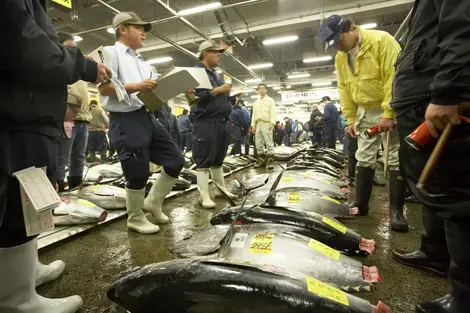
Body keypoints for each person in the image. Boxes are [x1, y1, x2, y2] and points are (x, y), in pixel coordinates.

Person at [0, 0, 111, 311]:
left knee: (28, 205)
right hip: (15, 114)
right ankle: (15, 299)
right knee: (17, 205)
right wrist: (85, 66)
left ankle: (24, 273)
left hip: (28, 113)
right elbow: (25, 44)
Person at [390, 1, 470, 311]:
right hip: (423, 94)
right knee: (437, 188)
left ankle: (464, 299)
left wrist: (449, 90)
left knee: (457, 196)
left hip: (437, 96)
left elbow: (462, 22)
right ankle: (436, 255)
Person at [317, 15, 408, 232]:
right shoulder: (341, 57)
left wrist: (389, 111)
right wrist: (350, 118)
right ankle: (361, 203)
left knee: (394, 157)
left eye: (339, 40)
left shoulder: (381, 41)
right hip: (364, 111)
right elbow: (344, 89)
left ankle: (396, 211)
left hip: (389, 107)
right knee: (363, 156)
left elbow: (394, 78)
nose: (337, 47)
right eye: (333, 45)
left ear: (350, 28)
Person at [99, 12, 184, 234]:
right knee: (137, 172)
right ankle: (135, 217)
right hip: (125, 119)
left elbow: (149, 91)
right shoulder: (111, 53)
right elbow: (105, 88)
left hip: (147, 116)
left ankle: (153, 201)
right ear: (122, 29)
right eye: (138, 28)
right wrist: (138, 86)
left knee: (175, 160)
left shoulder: (141, 61)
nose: (143, 32)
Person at [192, 40, 237, 209]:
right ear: (205, 53)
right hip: (206, 122)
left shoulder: (215, 74)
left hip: (221, 121)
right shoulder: (198, 72)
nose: (219, 55)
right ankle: (204, 195)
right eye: (215, 52)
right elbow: (198, 96)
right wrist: (220, 90)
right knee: (204, 158)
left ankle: (220, 189)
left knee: (218, 158)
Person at [54, 32, 93, 190]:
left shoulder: (79, 70)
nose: (74, 53)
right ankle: (59, 187)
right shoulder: (59, 66)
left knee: (79, 157)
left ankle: (75, 185)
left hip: (83, 119)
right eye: (70, 48)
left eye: (76, 49)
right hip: (68, 118)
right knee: (62, 157)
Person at [251, 83, 277, 169]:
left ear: (266, 90)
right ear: (258, 91)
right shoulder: (256, 102)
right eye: (260, 89)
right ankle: (261, 161)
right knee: (258, 143)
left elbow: (273, 112)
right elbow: (254, 114)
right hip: (258, 124)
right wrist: (253, 125)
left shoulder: (270, 100)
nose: (261, 90)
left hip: (267, 123)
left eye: (263, 88)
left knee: (269, 142)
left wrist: (272, 123)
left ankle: (270, 161)